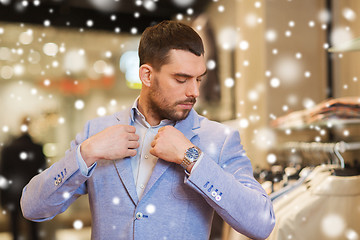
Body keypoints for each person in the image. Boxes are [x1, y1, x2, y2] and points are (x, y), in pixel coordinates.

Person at [20, 20, 275, 240]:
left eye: (198, 79)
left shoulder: (219, 139)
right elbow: (33, 207)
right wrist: (86, 153)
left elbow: (261, 223)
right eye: (181, 79)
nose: (194, 92)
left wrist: (192, 157)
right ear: (146, 75)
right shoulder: (96, 132)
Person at [1, 118, 46, 240]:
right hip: (33, 191)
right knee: (34, 228)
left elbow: (3, 173)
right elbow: (43, 172)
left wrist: (3, 197)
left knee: (14, 228)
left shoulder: (9, 148)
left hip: (13, 192)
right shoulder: (37, 148)